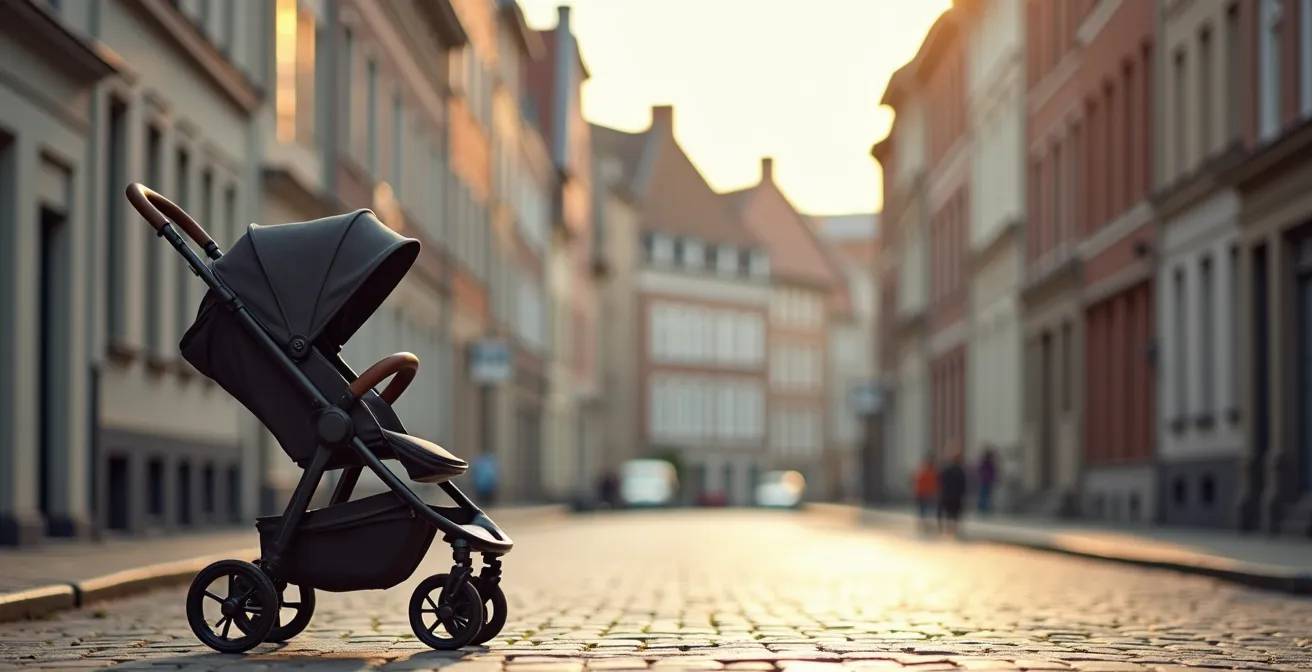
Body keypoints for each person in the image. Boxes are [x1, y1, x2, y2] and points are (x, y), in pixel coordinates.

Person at [937, 448, 967, 537]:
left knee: (951, 513)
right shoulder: (957, 470)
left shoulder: (952, 470)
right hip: (952, 494)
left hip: (952, 494)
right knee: (952, 513)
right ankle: (951, 528)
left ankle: (951, 528)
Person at [913, 456, 939, 532]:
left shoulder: (925, 472)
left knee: (925, 510)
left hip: (925, 493)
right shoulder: (926, 472)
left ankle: (924, 523)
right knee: (924, 510)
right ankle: (923, 523)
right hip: (924, 494)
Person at [977, 446, 998, 515]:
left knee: (984, 495)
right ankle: (984, 508)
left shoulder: (985, 463)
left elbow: (980, 471)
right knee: (985, 495)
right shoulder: (989, 463)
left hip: (984, 480)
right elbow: (993, 472)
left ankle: (983, 508)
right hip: (987, 480)